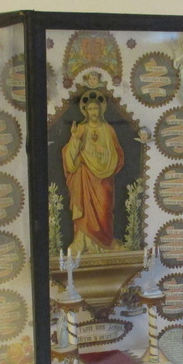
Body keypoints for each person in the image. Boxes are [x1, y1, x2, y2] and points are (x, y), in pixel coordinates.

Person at [62, 91, 124, 253]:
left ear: (101, 110)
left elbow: (117, 155)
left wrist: (104, 153)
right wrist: (75, 138)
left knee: (103, 209)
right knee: (85, 210)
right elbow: (70, 158)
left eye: (96, 108)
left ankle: (103, 244)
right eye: (90, 109)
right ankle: (84, 243)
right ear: (86, 111)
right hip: (84, 177)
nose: (94, 112)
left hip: (104, 178)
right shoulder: (81, 129)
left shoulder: (108, 129)